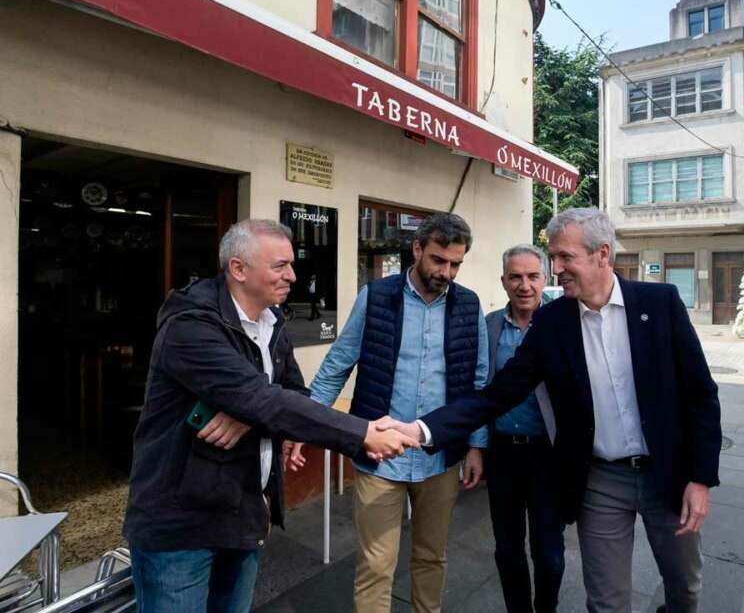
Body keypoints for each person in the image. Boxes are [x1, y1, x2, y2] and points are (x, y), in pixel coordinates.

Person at [385, 207, 722, 613]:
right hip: (601, 480)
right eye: (554, 258)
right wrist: (424, 429)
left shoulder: (660, 303)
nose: (556, 269)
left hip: (668, 473)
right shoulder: (554, 321)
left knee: (685, 587)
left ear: (602, 254)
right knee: (607, 601)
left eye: (565, 258)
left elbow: (701, 395)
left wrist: (700, 479)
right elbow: (498, 394)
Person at [123, 219, 417, 612]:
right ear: (238, 269)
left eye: (291, 265)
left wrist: (248, 412)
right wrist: (363, 432)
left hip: (243, 513)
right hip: (182, 526)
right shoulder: (190, 326)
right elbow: (261, 398)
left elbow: (287, 394)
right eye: (280, 266)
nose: (292, 276)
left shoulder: (271, 321)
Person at [290, 212, 489, 613]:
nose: (446, 272)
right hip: (381, 457)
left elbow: (479, 383)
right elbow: (337, 364)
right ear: (417, 249)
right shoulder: (377, 297)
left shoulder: (468, 305)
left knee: (431, 557)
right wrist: (304, 424)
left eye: (455, 264)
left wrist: (476, 446)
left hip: (440, 457)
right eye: (438, 260)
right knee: (376, 565)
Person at [485, 244, 564, 613]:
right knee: (507, 548)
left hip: (547, 455)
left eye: (533, 276)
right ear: (503, 282)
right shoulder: (489, 327)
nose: (524, 285)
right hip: (502, 452)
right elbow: (479, 388)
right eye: (515, 277)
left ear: (544, 280)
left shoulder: (563, 324)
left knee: (548, 553)